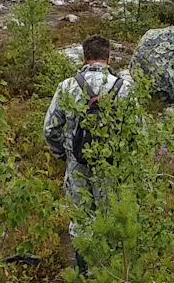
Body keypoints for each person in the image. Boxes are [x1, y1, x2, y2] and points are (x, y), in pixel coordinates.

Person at [42, 35, 129, 218]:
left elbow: (50, 128)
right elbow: (139, 132)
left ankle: (80, 247)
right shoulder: (124, 89)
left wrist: (64, 154)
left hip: (77, 164)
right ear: (108, 57)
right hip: (111, 165)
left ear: (84, 58)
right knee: (110, 216)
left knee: (81, 217)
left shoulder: (67, 87)